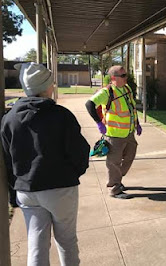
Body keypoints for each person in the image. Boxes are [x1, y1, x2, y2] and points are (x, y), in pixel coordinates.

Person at [1, 62, 90, 266]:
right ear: (47, 86)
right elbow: (80, 152)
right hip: (61, 189)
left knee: (36, 244)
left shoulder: (9, 119)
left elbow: (8, 159)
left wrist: (14, 192)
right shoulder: (62, 116)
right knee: (66, 241)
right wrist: (73, 173)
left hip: (27, 190)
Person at [85, 65, 141, 199]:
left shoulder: (127, 89)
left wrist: (137, 124)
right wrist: (99, 123)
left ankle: (117, 179)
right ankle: (114, 189)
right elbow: (89, 104)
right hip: (114, 135)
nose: (126, 77)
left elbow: (131, 108)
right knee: (113, 162)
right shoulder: (107, 92)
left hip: (129, 133)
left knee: (130, 156)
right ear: (113, 78)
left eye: (126, 74)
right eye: (123, 76)